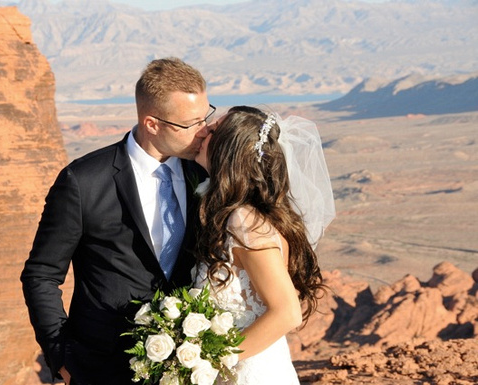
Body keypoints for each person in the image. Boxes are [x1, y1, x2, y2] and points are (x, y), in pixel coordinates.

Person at [21, 57, 212, 385]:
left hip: (189, 366)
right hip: (101, 368)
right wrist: (62, 358)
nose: (204, 131)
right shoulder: (83, 181)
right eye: (191, 123)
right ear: (152, 123)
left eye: (205, 117)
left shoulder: (204, 174)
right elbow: (41, 275)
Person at [193, 106, 336, 384]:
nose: (202, 132)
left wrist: (210, 358)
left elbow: (286, 312)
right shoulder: (236, 215)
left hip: (251, 373)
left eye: (211, 131)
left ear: (227, 150)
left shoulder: (243, 220)